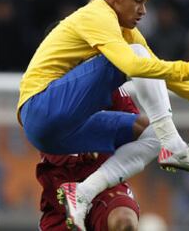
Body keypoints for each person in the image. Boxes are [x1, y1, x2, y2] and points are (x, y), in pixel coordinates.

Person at [17, 0, 189, 230]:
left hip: (61, 135)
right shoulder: (96, 14)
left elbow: (162, 75)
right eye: (138, 0)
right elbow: (133, 63)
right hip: (40, 108)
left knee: (153, 135)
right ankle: (174, 146)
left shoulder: (125, 33)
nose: (143, 10)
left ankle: (83, 192)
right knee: (137, 57)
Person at [38, 87, 148, 231]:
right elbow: (42, 137)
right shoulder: (49, 86)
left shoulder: (109, 83)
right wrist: (86, 142)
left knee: (124, 220)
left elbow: (137, 127)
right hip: (62, 195)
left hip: (105, 185)